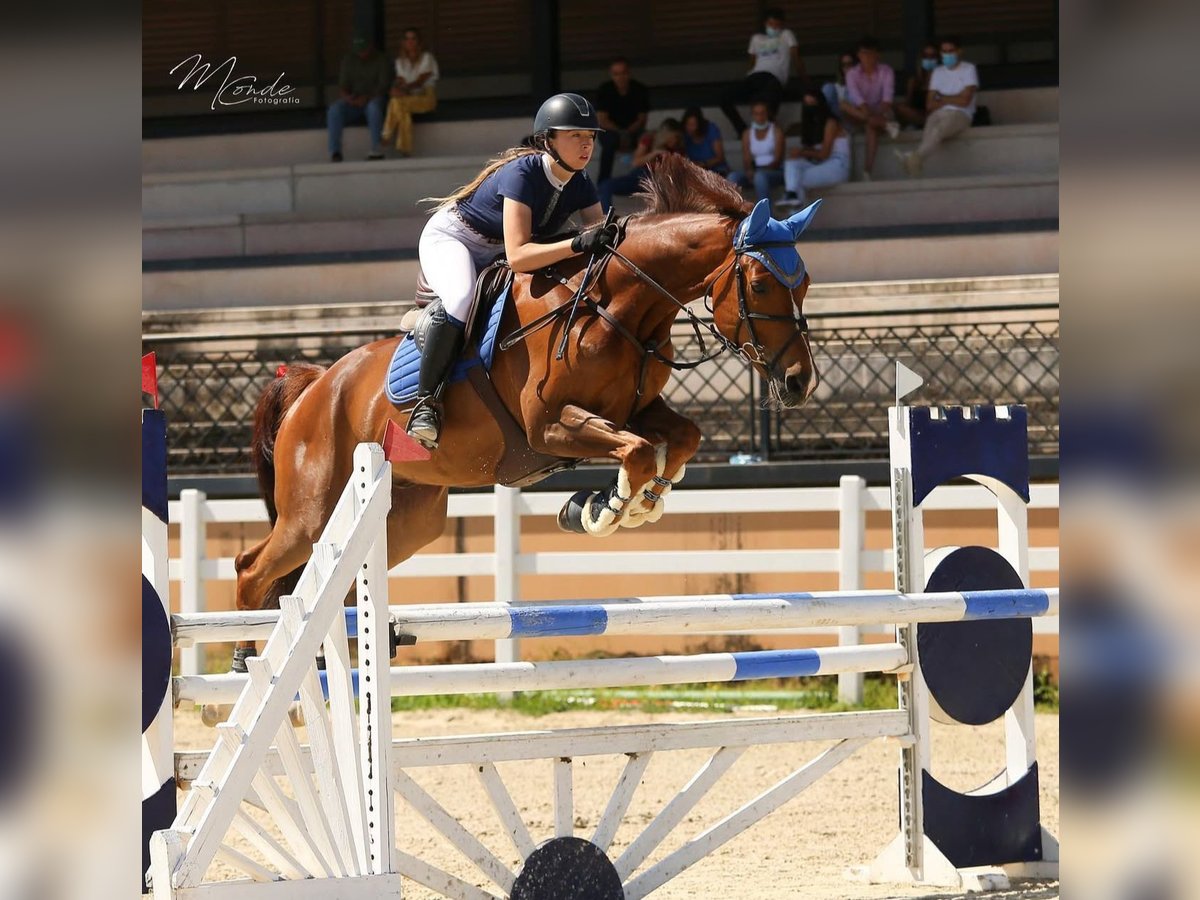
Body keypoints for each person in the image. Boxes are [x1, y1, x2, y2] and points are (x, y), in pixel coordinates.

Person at [407, 94, 610, 448]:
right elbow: (518, 256)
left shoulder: (581, 182)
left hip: (497, 249)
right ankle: (426, 405)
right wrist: (577, 244)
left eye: (590, 136)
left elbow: (599, 240)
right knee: (461, 298)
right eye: (575, 135)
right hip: (456, 239)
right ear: (549, 140)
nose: (586, 144)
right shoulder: (523, 172)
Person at [897, 37, 979, 177]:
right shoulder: (938, 72)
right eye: (944, 51)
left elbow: (965, 101)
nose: (947, 54)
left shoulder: (968, 69)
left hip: (960, 114)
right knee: (929, 127)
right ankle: (915, 165)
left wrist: (942, 98)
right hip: (938, 113)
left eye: (950, 51)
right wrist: (955, 97)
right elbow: (930, 104)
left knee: (939, 129)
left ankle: (914, 158)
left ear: (959, 51)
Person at [720, 8, 804, 138]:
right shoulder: (756, 38)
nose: (773, 27)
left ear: (781, 25)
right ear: (765, 24)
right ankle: (742, 131)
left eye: (777, 24)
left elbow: (796, 59)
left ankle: (767, 133)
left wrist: (806, 82)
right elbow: (751, 63)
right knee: (723, 97)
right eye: (771, 24)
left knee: (769, 99)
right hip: (754, 77)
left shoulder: (786, 34)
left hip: (774, 77)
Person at [780, 86, 850, 207]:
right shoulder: (811, 126)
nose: (810, 108)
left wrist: (801, 152)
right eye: (807, 104)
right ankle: (791, 195)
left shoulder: (831, 122)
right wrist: (799, 153)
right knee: (791, 163)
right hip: (820, 164)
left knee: (797, 179)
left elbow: (824, 154)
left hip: (837, 165)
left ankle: (795, 217)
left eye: (813, 104)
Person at [597, 118, 686, 212]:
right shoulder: (649, 139)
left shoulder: (678, 148)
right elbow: (636, 162)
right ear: (666, 134)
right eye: (674, 136)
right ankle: (606, 219)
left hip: (661, 179)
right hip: (641, 175)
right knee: (605, 186)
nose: (675, 140)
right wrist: (654, 153)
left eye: (678, 137)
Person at [840, 36, 898, 179]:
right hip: (860, 114)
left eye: (869, 53)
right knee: (843, 104)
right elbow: (858, 100)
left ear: (877, 55)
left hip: (880, 112)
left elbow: (887, 99)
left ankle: (867, 170)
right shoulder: (852, 74)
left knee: (870, 125)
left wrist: (876, 116)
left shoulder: (886, 71)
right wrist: (871, 116)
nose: (865, 57)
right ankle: (887, 125)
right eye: (862, 53)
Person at [327, 36, 392, 162]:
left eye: (364, 49)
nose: (361, 53)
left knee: (373, 108)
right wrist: (348, 98)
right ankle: (335, 152)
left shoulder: (381, 60)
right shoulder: (349, 60)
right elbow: (343, 86)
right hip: (354, 100)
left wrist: (367, 98)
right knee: (334, 110)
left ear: (370, 46)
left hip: (374, 99)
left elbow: (384, 86)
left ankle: (376, 148)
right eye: (358, 50)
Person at [382, 27, 439, 156]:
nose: (410, 42)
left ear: (419, 41)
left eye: (413, 38)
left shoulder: (427, 58)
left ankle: (386, 134)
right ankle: (404, 148)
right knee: (398, 104)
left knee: (397, 103)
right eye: (407, 39)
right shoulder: (400, 62)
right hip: (409, 97)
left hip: (425, 96)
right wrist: (395, 89)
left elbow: (420, 81)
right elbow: (400, 80)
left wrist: (403, 90)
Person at [594, 57, 650, 182]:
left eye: (623, 73)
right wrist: (621, 132)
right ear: (611, 75)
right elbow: (602, 120)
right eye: (616, 74)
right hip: (611, 130)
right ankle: (603, 182)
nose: (620, 77)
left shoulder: (639, 90)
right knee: (609, 143)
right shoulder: (605, 90)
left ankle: (646, 181)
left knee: (647, 140)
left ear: (629, 73)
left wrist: (629, 132)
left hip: (634, 130)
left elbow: (642, 119)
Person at [726, 101, 785, 202]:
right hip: (755, 170)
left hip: (774, 172)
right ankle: (733, 213)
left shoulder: (776, 132)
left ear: (767, 114)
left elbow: (778, 160)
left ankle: (765, 216)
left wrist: (759, 171)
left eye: (762, 113)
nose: (760, 117)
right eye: (756, 114)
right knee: (732, 177)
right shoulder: (747, 134)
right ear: (752, 115)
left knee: (760, 177)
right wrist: (750, 170)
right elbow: (746, 158)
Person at [896, 42, 939, 129]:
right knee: (899, 108)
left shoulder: (942, 79)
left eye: (932, 56)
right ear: (921, 58)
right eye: (925, 56)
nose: (929, 59)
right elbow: (908, 103)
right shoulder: (914, 81)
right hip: (917, 117)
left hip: (936, 116)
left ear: (938, 58)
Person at [681, 107, 728, 173]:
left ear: (700, 125)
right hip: (696, 174)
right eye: (688, 125)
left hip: (718, 172)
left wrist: (704, 164)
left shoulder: (711, 129)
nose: (690, 128)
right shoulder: (684, 136)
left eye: (693, 125)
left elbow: (720, 158)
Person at [822, 50, 858, 121]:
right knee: (828, 87)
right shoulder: (835, 87)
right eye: (844, 65)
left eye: (850, 64)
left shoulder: (863, 86)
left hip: (856, 119)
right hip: (838, 121)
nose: (847, 67)